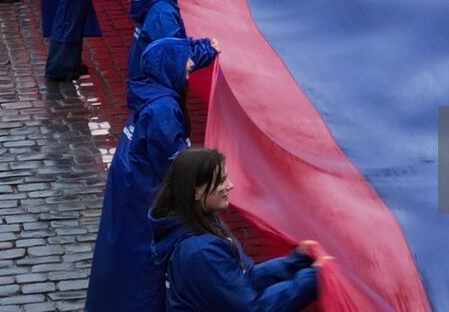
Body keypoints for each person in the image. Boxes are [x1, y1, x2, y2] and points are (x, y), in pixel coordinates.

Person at [85, 37, 220, 312]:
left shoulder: (149, 93)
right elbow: (178, 167)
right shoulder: (164, 112)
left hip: (129, 197)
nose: (189, 66)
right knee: (145, 271)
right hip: (146, 203)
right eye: (186, 62)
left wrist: (205, 49)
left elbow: (174, 55)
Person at [151, 148, 323, 312]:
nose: (230, 185)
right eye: (220, 181)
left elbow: (243, 278)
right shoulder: (201, 252)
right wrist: (313, 278)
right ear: (196, 192)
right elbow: (253, 308)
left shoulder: (203, 223)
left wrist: (296, 262)